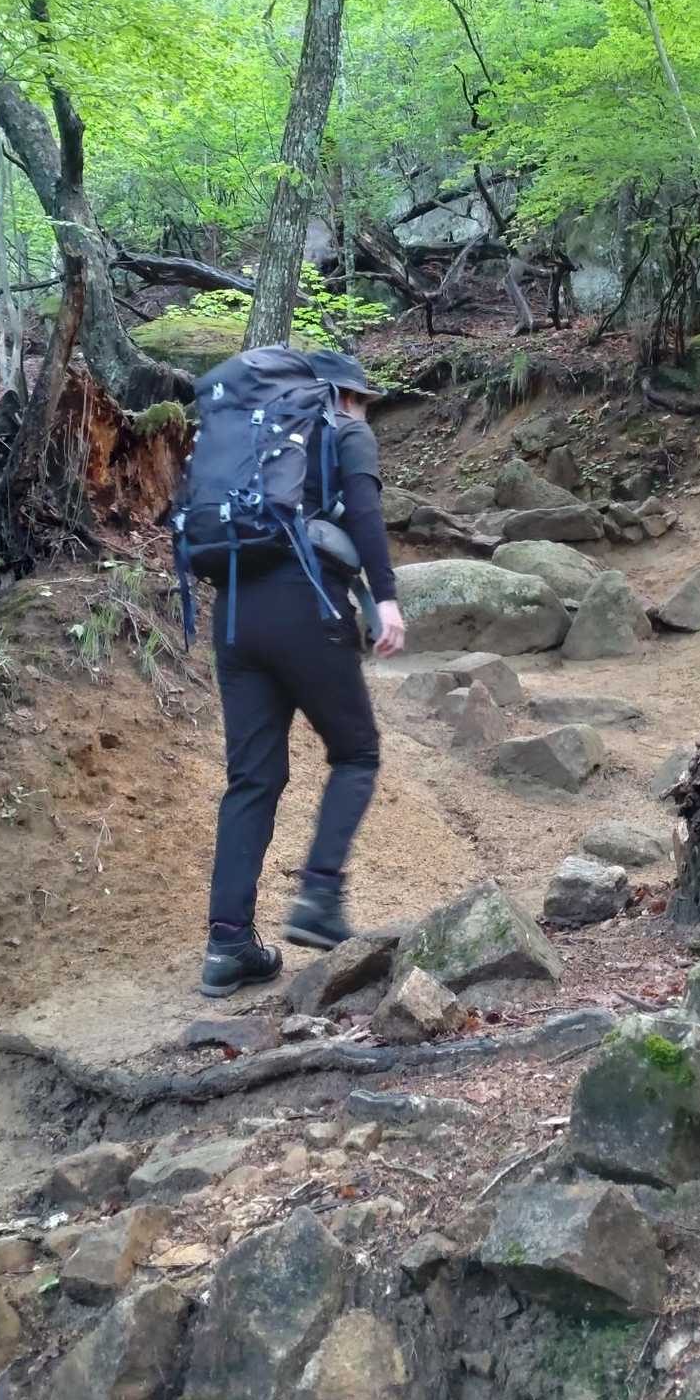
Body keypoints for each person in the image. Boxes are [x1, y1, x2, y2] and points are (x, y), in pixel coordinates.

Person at [200, 350, 405, 998]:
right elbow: (364, 514)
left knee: (252, 779)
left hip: (234, 612)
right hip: (307, 602)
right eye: (362, 400)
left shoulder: (248, 439)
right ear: (341, 395)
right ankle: (318, 898)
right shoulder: (344, 431)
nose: (365, 412)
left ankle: (227, 945)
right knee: (357, 752)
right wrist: (386, 599)